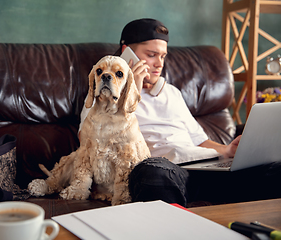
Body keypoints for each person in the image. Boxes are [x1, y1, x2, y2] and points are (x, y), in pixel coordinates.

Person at [79, 18, 281, 207]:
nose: (159, 64)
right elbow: (88, 141)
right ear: (127, 51)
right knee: (153, 172)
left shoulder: (172, 92)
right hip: (164, 170)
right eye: (151, 55)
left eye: (163, 56)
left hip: (201, 168)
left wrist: (228, 150)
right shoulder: (101, 95)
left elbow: (200, 141)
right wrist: (132, 92)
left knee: (274, 170)